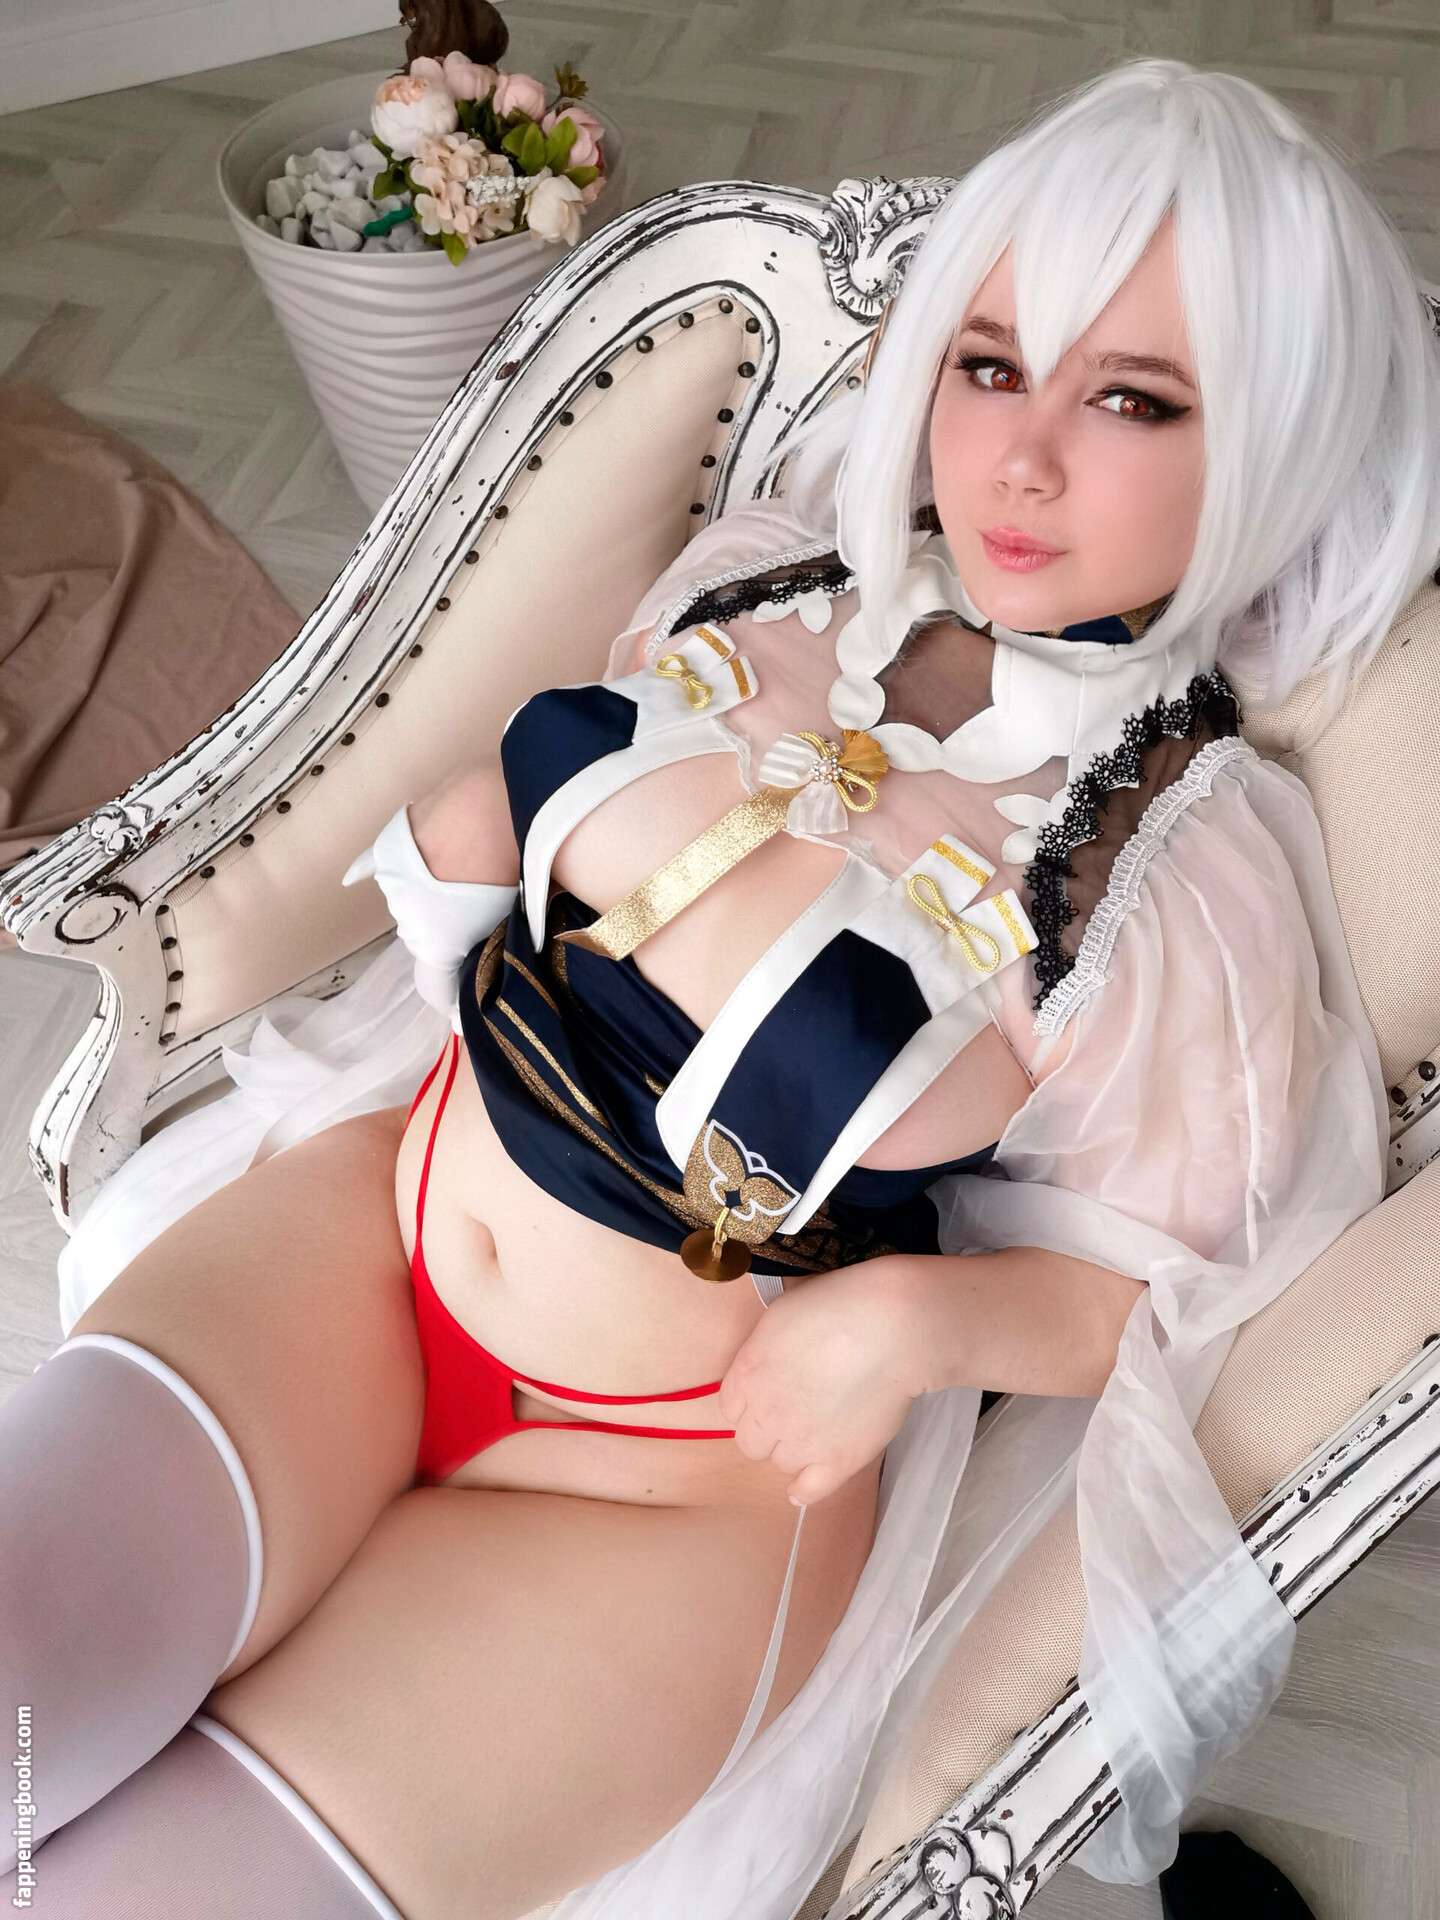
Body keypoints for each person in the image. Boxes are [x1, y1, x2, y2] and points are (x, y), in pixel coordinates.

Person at [2, 55, 1436, 1920]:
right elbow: (518, 832)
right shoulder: (764, 578)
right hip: (371, 1242)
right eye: (989, 363)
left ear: (1277, 443)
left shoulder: (1181, 873)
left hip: (680, 1496)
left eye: (1132, 399)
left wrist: (917, 1322)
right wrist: (466, 858)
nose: (1018, 458)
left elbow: (1173, 1301)